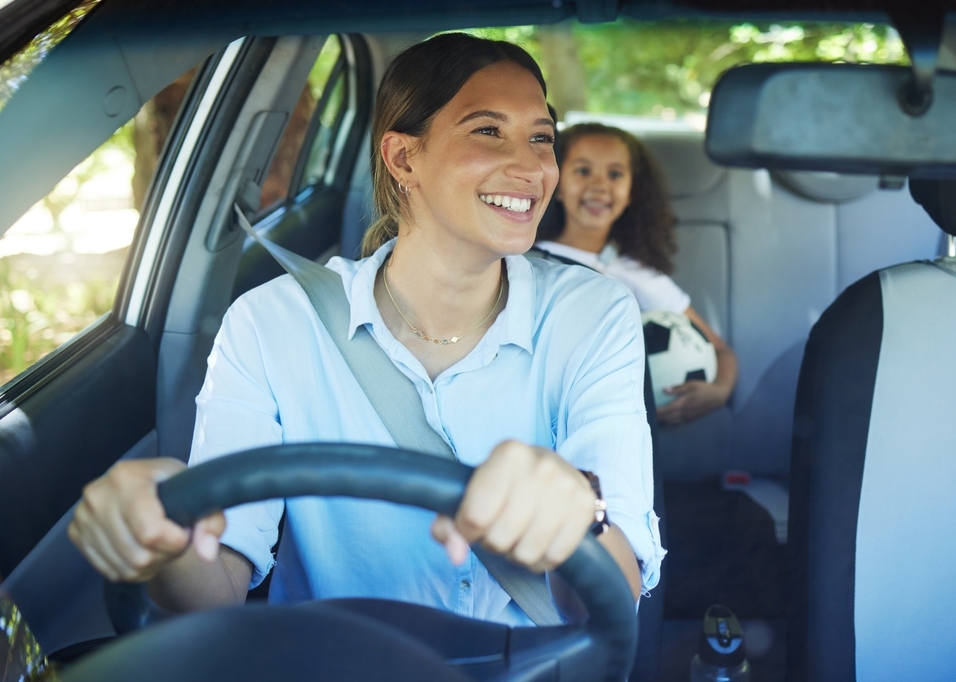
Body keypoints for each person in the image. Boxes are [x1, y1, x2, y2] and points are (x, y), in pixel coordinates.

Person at [67, 34, 663, 626]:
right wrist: (166, 538)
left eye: (541, 138)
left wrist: (577, 521)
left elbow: (617, 593)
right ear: (404, 158)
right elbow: (216, 586)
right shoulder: (271, 325)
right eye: (488, 131)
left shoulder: (594, 313)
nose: (532, 166)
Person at [535, 123, 738, 426]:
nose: (599, 185)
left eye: (615, 174)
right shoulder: (523, 256)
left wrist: (718, 392)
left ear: (632, 192)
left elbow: (720, 350)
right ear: (556, 183)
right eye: (582, 171)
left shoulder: (636, 273)